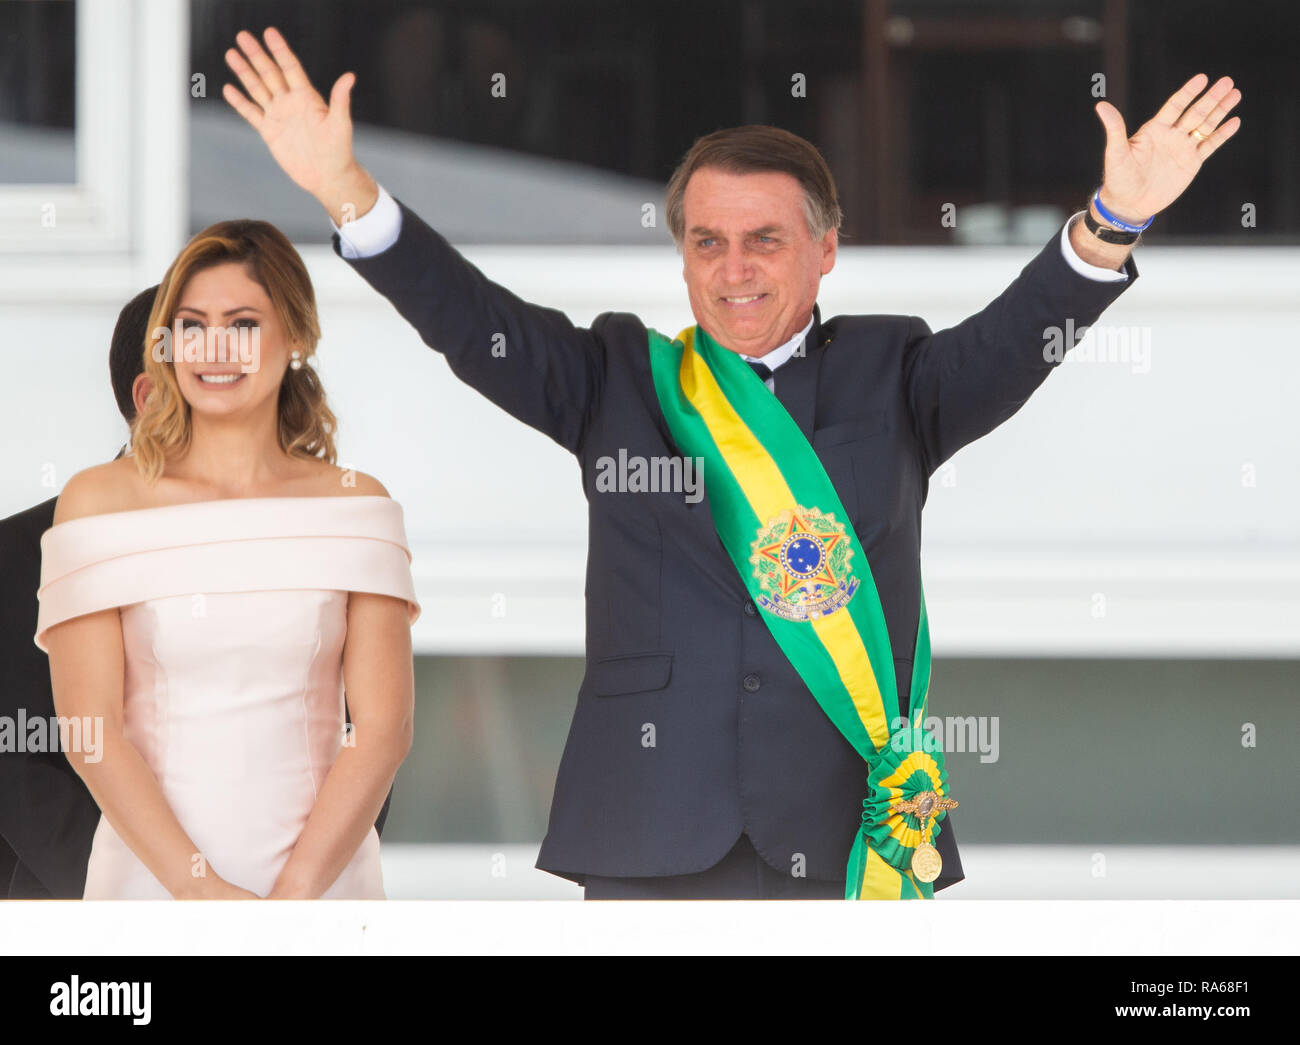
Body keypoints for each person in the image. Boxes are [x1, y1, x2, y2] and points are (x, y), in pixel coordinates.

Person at [222, 27, 1239, 899]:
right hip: (648, 827)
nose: (733, 269)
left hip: (847, 830)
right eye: (707, 243)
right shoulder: (614, 380)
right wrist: (347, 193)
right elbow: (469, 320)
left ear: (826, 249)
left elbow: (1021, 336)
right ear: (680, 257)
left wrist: (1110, 224)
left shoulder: (898, 376)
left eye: (763, 240)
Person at [34, 220, 420, 899]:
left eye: (242, 323)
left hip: (323, 895)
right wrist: (203, 892)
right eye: (192, 324)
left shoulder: (358, 507)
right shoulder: (98, 501)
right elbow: (91, 729)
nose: (214, 348)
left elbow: (383, 730)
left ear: (294, 338)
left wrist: (293, 899)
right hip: (147, 893)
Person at [0, 287, 156, 898]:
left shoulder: (302, 541)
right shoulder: (15, 556)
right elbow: (14, 753)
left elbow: (355, 739)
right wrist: (159, 898)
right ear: (151, 397)